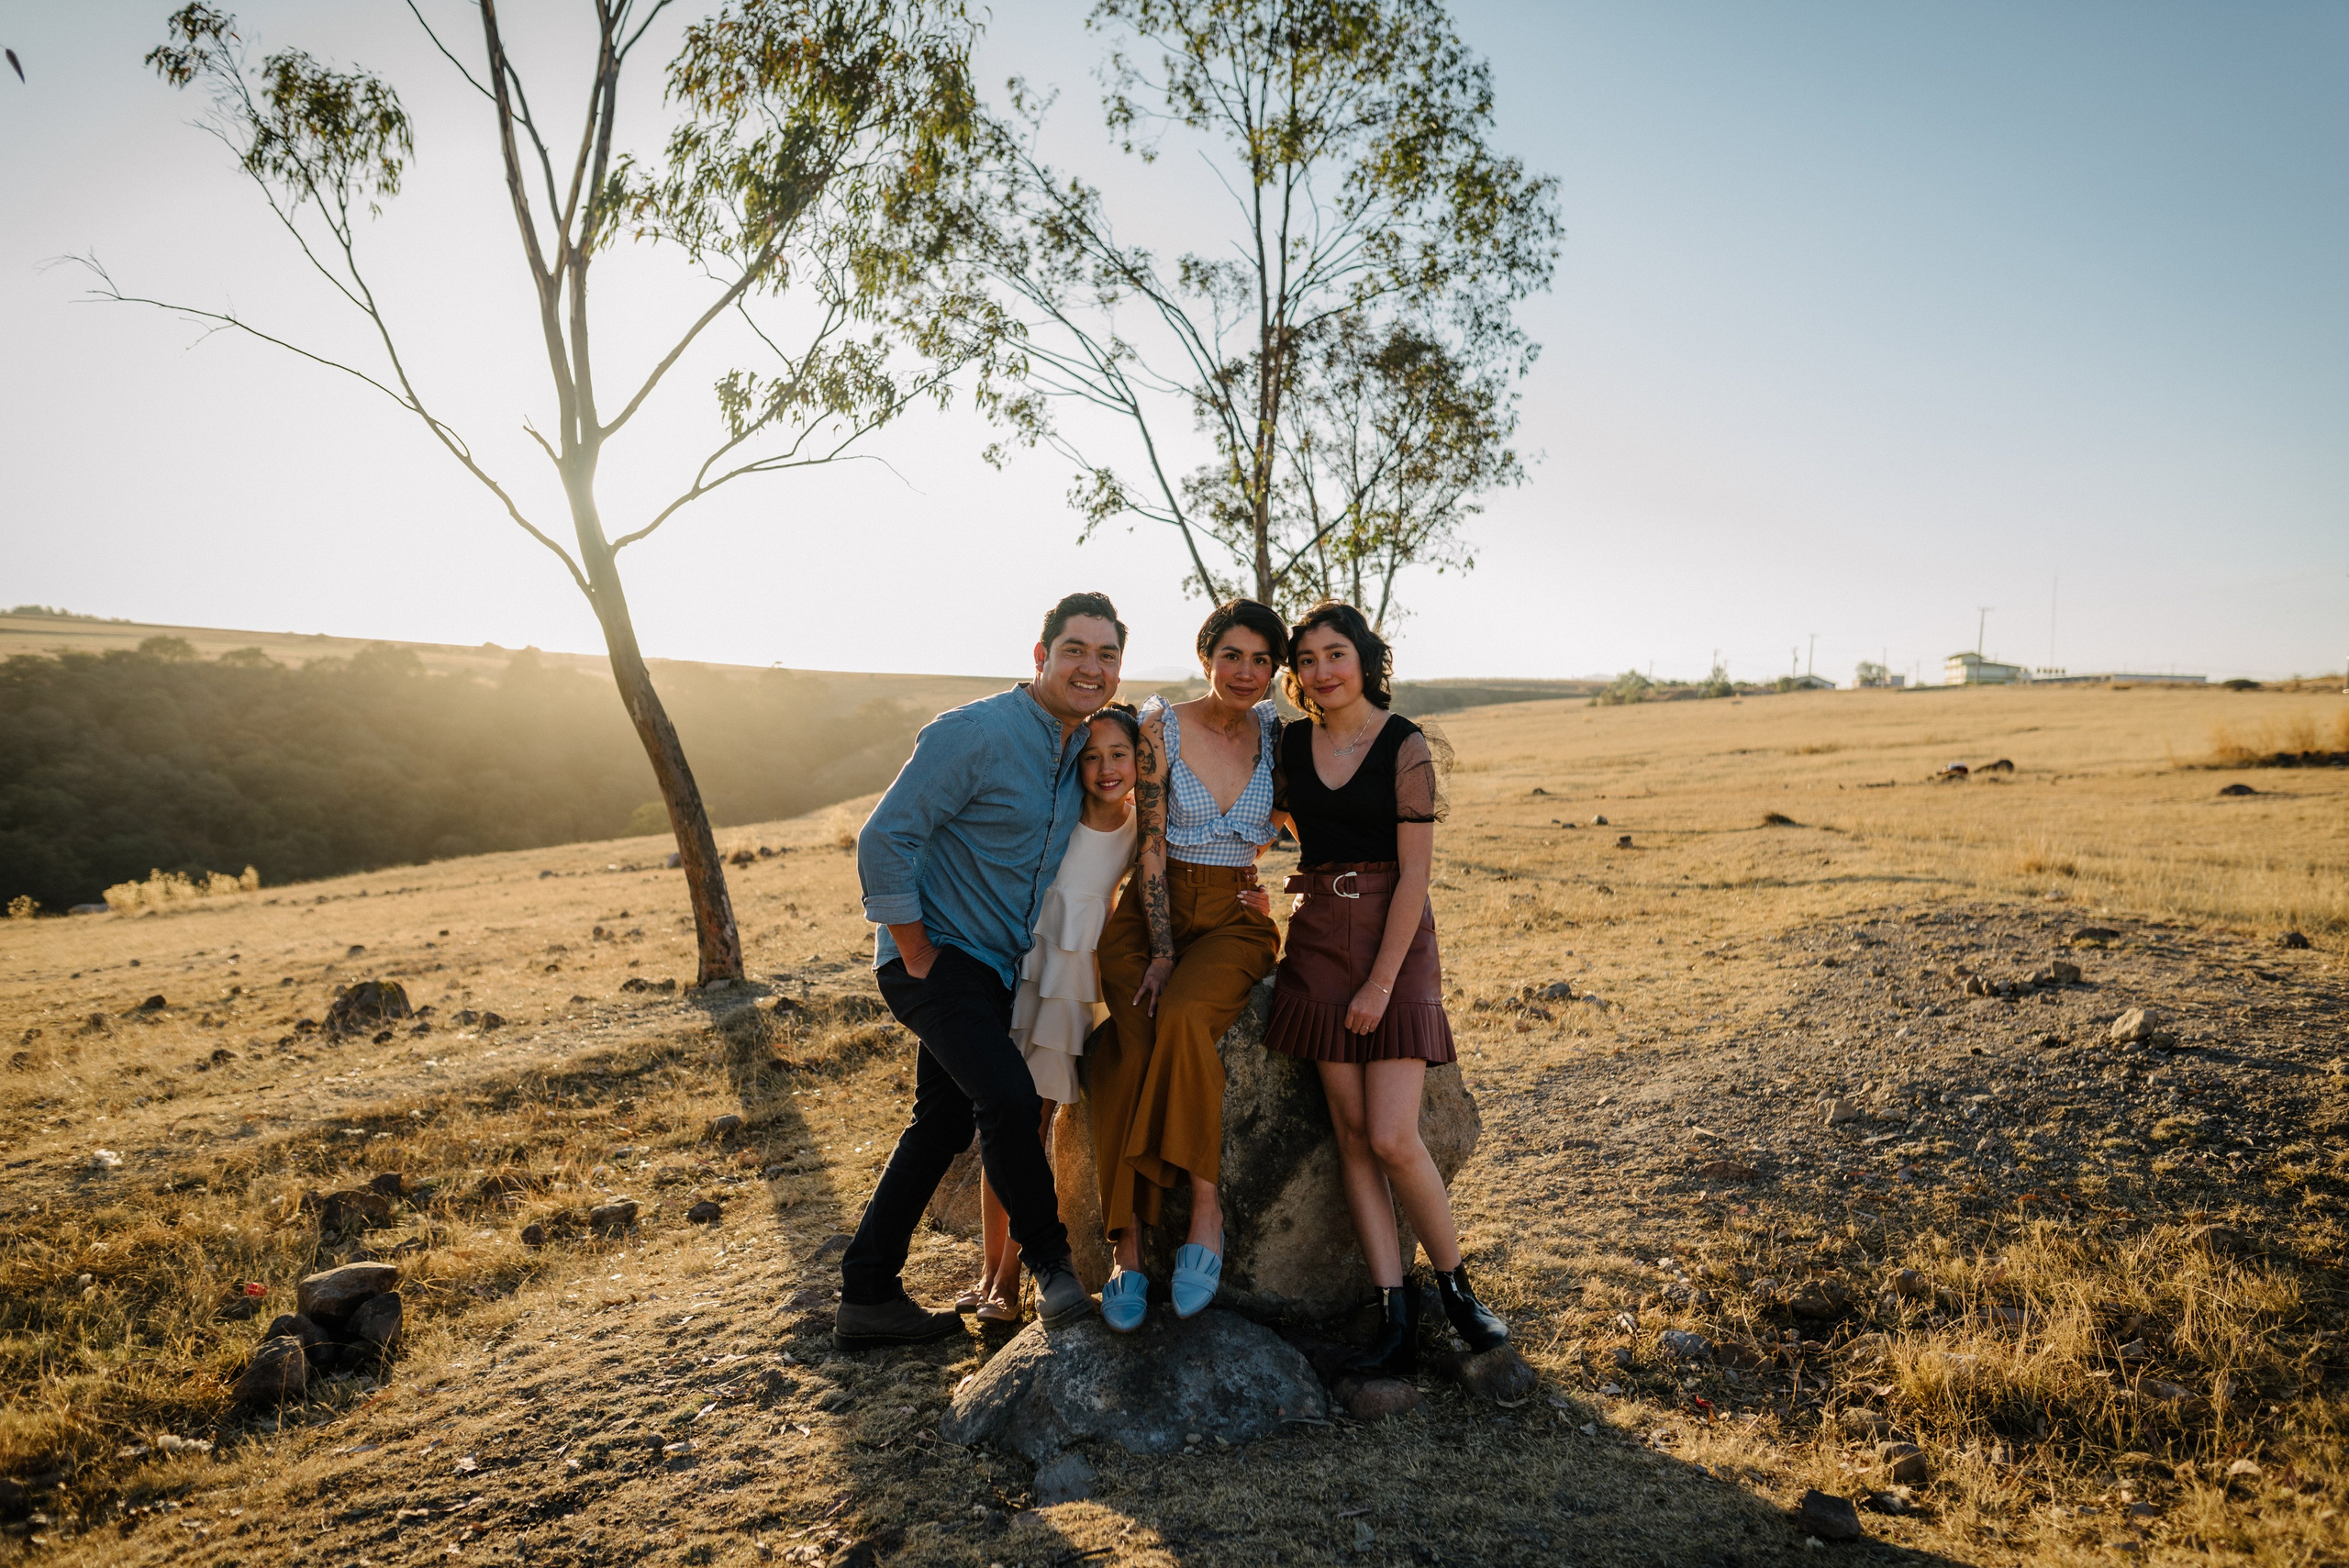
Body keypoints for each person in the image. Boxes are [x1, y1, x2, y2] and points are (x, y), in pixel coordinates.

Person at [834, 592, 1125, 1349]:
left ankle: (867, 1291)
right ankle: (1053, 1271)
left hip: (999, 967)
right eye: (1074, 650)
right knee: (1006, 1094)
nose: (1090, 667)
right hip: (937, 957)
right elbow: (883, 838)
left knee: (941, 1120)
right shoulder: (974, 733)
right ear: (1040, 656)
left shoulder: (1083, 752)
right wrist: (919, 949)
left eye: (1106, 655)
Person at [1263, 599, 1508, 1373]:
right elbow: (1263, 826)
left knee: (1393, 1134)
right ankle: (1391, 1313)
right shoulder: (1291, 746)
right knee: (1351, 1139)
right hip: (1315, 942)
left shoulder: (1405, 746)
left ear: (1366, 659)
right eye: (1306, 660)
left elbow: (1415, 877)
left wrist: (1378, 982)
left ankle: (1457, 1290)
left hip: (1393, 942)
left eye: (1335, 653)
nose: (1321, 671)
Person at [1089, 599, 1286, 1331]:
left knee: (1180, 1019)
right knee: (1125, 1054)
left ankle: (1206, 1209)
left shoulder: (1274, 732)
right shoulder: (1160, 727)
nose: (1246, 671)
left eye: (1262, 660)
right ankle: (1128, 1249)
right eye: (1231, 655)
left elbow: (1311, 819)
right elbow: (1148, 842)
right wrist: (1163, 947)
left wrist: (1301, 884)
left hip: (1235, 918)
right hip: (1150, 913)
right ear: (1206, 657)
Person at [961, 704, 1141, 1323]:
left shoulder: (1141, 829)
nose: (1105, 768)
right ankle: (989, 1272)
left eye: (1119, 754)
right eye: (1091, 756)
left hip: (1070, 982)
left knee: (1034, 1119)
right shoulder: (1055, 809)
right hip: (1016, 961)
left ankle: (1013, 1278)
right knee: (1001, 1120)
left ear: (1140, 759)